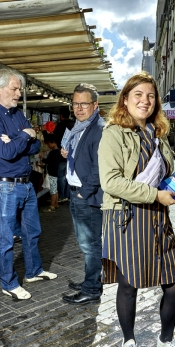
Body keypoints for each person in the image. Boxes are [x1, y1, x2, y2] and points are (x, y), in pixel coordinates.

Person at [98, 72, 175, 347]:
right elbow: (111, 181)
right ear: (125, 99)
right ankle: (128, 343)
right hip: (127, 216)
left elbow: (167, 170)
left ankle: (165, 340)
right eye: (138, 94)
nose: (145, 100)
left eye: (151, 96)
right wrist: (156, 194)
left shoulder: (158, 133)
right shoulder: (113, 133)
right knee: (129, 286)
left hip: (156, 217)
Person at [0, 68, 57, 301]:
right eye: (14, 89)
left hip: (25, 183)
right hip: (5, 186)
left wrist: (19, 139)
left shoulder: (15, 114)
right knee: (5, 238)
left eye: (19, 89)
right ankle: (9, 283)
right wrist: (24, 136)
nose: (18, 94)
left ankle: (33, 271)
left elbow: (37, 146)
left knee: (32, 231)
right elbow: (5, 152)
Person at [60, 83, 106, 305]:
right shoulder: (81, 126)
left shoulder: (98, 128)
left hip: (86, 196)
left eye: (84, 104)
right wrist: (68, 153)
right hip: (76, 191)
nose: (78, 108)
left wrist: (84, 193)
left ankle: (91, 289)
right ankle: (92, 280)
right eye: (75, 103)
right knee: (86, 244)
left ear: (95, 105)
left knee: (91, 245)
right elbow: (82, 155)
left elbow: (100, 166)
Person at [53, 106, 75, 202]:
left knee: (61, 176)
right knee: (70, 175)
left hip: (61, 154)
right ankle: (70, 195)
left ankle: (62, 196)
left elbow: (55, 139)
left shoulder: (59, 126)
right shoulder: (74, 124)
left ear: (61, 115)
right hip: (73, 155)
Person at [41, 134, 61, 212]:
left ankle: (52, 205)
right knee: (55, 190)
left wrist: (44, 161)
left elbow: (51, 162)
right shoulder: (57, 151)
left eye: (48, 144)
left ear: (52, 142)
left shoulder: (54, 152)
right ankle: (56, 204)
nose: (48, 145)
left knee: (53, 190)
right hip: (55, 173)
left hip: (53, 173)